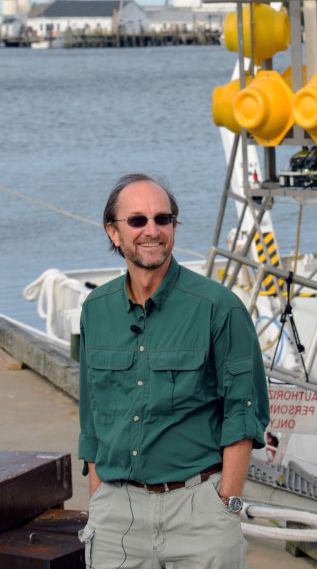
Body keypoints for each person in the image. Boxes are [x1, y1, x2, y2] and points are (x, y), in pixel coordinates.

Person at [78, 173, 270, 568]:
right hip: (117, 518)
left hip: (199, 513)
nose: (153, 230)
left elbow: (244, 412)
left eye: (163, 219)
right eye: (137, 221)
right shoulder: (95, 310)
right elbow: (91, 417)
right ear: (113, 233)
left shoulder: (219, 308)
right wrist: (100, 498)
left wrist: (226, 503)